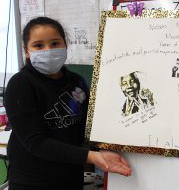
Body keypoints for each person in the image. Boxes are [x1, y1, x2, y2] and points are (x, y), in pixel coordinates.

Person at [4, 17, 131, 190]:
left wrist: (101, 148)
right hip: (33, 181)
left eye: (55, 43)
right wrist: (92, 156)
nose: (48, 50)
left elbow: (88, 126)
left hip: (70, 177)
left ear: (65, 45)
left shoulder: (76, 81)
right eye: (38, 46)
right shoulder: (21, 84)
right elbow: (36, 142)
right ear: (27, 51)